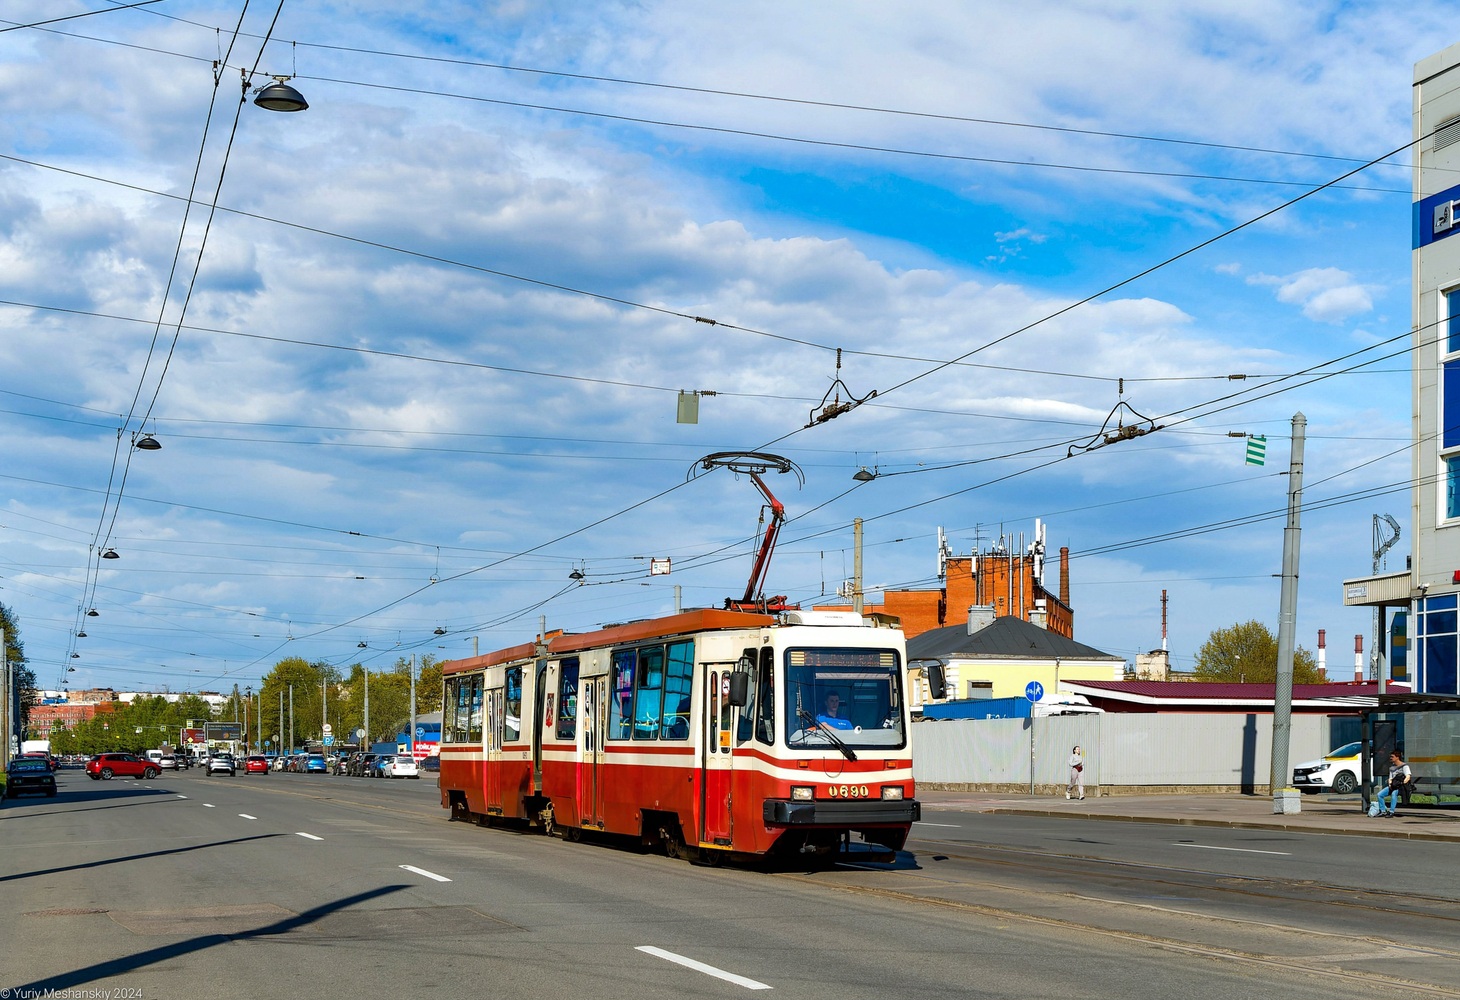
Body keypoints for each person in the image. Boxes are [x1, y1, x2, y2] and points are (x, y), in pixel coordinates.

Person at [1377, 749, 1410, 817]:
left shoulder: (1404, 766)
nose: (1390, 758)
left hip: (1401, 787)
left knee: (1394, 793)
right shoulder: (1392, 768)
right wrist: (1390, 784)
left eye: (1392, 756)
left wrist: (1402, 783)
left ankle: (1391, 812)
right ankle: (1383, 811)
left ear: (1397, 757)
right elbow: (1390, 778)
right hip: (1393, 785)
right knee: (1379, 795)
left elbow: (1408, 776)